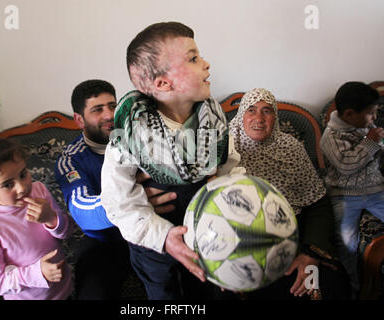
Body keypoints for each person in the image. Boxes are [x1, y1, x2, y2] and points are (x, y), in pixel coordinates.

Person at [101, 22, 241, 299]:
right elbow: (119, 203)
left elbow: (230, 169)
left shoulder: (213, 120)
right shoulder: (128, 134)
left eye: (199, 56)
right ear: (163, 83)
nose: (206, 64)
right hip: (154, 247)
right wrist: (163, 238)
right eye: (193, 58)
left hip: (205, 235)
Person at [54, 79, 178, 299]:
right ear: (79, 119)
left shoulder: (141, 137)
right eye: (97, 110)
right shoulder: (71, 159)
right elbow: (82, 210)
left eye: (112, 106)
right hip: (106, 241)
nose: (109, 115)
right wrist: (131, 201)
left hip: (151, 228)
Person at [228, 88, 350, 299]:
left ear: (275, 117)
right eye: (251, 110)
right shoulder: (225, 150)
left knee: (324, 283)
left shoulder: (291, 148)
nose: (259, 118)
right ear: (240, 116)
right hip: (239, 246)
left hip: (293, 244)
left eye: (267, 111)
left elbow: (317, 203)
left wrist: (310, 253)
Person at [0, 139, 73, 300]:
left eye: (23, 174)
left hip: (65, 289)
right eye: (7, 185)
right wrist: (37, 273)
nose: (22, 187)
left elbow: (67, 232)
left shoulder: (39, 190)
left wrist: (51, 218)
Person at [319, 81, 384, 296]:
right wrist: (370, 142)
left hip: (375, 191)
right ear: (349, 114)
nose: (374, 118)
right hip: (345, 196)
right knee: (347, 242)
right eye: (371, 113)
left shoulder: (365, 127)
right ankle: (353, 287)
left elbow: (377, 151)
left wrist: (377, 141)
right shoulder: (331, 137)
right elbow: (346, 166)